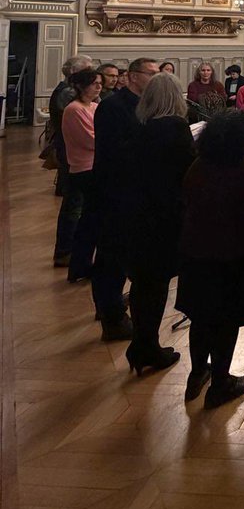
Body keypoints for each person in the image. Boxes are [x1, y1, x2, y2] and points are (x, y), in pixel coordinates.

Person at [177, 110, 244, 407]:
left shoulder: (197, 167)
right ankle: (221, 381)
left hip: (195, 253)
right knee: (227, 320)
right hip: (234, 256)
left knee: (200, 317)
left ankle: (198, 371)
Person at [127, 73, 195, 375]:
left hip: (138, 214)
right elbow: (188, 170)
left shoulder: (138, 125)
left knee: (143, 283)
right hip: (165, 216)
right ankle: (148, 347)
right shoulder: (176, 127)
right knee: (156, 285)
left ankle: (140, 344)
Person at [92, 58, 160, 341]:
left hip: (138, 193)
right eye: (151, 74)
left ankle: (116, 305)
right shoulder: (113, 106)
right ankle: (111, 315)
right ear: (132, 76)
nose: (156, 79)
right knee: (111, 256)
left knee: (127, 253)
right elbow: (114, 152)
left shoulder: (146, 105)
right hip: (116, 192)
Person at [59, 67, 103, 281]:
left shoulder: (94, 106)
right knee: (87, 220)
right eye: (95, 83)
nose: (99, 87)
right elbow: (92, 139)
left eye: (100, 83)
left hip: (96, 166)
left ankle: (83, 263)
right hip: (84, 167)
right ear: (82, 85)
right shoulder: (74, 109)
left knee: (92, 219)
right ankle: (79, 265)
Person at [48, 54, 92, 260]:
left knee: (75, 203)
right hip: (75, 154)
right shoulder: (68, 95)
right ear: (76, 74)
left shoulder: (69, 93)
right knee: (74, 204)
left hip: (75, 152)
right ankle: (66, 250)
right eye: (88, 71)